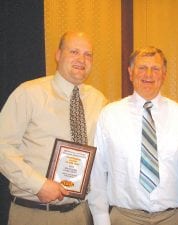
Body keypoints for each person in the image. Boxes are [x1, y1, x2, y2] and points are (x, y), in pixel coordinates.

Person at [0, 31, 107, 225]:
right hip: (34, 213)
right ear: (58, 55)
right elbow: (2, 146)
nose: (81, 59)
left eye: (87, 54)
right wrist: (38, 184)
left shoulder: (98, 100)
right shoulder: (28, 93)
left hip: (80, 214)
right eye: (74, 51)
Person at [88, 46, 178, 225]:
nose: (149, 74)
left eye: (156, 69)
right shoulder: (109, 115)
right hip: (125, 218)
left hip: (174, 218)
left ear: (164, 74)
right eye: (142, 68)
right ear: (130, 72)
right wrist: (100, 218)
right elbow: (97, 172)